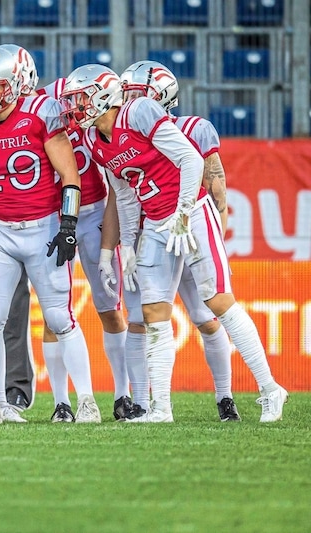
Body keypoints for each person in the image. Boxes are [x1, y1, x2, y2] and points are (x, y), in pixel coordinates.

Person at [60, 63, 289, 423]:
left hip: (192, 212)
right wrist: (128, 247)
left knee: (218, 301)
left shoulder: (138, 111)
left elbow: (189, 158)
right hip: (154, 221)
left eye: (80, 99)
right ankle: (161, 408)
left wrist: (183, 213)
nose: (75, 108)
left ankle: (270, 388)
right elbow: (124, 196)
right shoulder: (92, 139)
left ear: (104, 95)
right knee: (153, 313)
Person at [0, 46, 101, 424]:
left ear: (18, 83)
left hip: (43, 226)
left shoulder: (40, 113)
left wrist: (68, 226)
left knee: (59, 316)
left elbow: (70, 175)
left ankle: (86, 401)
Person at [111, 60, 240, 421]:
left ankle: (225, 396)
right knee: (140, 318)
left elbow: (217, 193)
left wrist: (208, 238)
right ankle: (142, 401)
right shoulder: (123, 134)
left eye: (138, 95)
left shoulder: (194, 128)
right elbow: (121, 196)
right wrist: (122, 246)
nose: (130, 102)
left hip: (186, 231)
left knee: (205, 316)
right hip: (149, 234)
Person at [40, 77, 130, 422]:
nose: (76, 107)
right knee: (54, 311)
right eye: (72, 101)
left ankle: (122, 393)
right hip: (53, 214)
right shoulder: (43, 111)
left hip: (93, 210)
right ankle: (62, 401)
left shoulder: (98, 127)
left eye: (82, 100)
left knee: (109, 306)